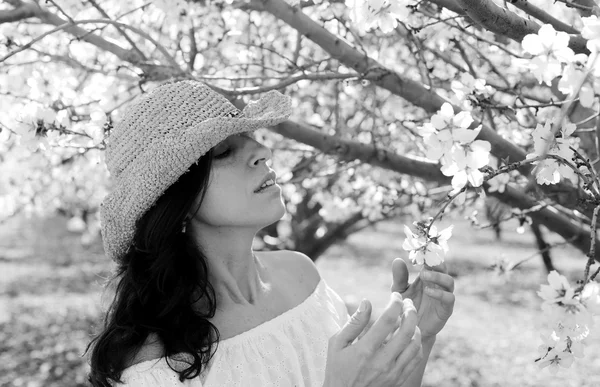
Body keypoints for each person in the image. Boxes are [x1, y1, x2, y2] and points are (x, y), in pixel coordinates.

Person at [85, 80, 455, 387]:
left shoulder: (301, 275)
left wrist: (418, 336)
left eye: (253, 136)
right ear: (176, 201)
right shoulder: (155, 365)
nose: (262, 150)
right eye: (225, 151)